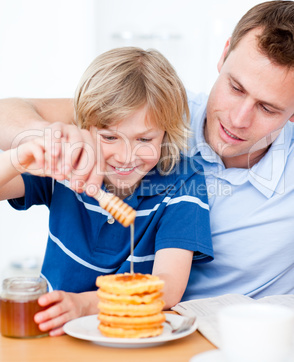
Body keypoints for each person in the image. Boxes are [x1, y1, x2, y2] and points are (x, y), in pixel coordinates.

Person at [0, 47, 213, 336]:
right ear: (84, 126)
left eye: (144, 138)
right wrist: (20, 157)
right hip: (53, 336)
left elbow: (169, 287)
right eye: (110, 137)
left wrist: (86, 304)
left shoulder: (183, 182)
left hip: (136, 339)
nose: (126, 156)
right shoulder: (67, 165)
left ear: (167, 131)